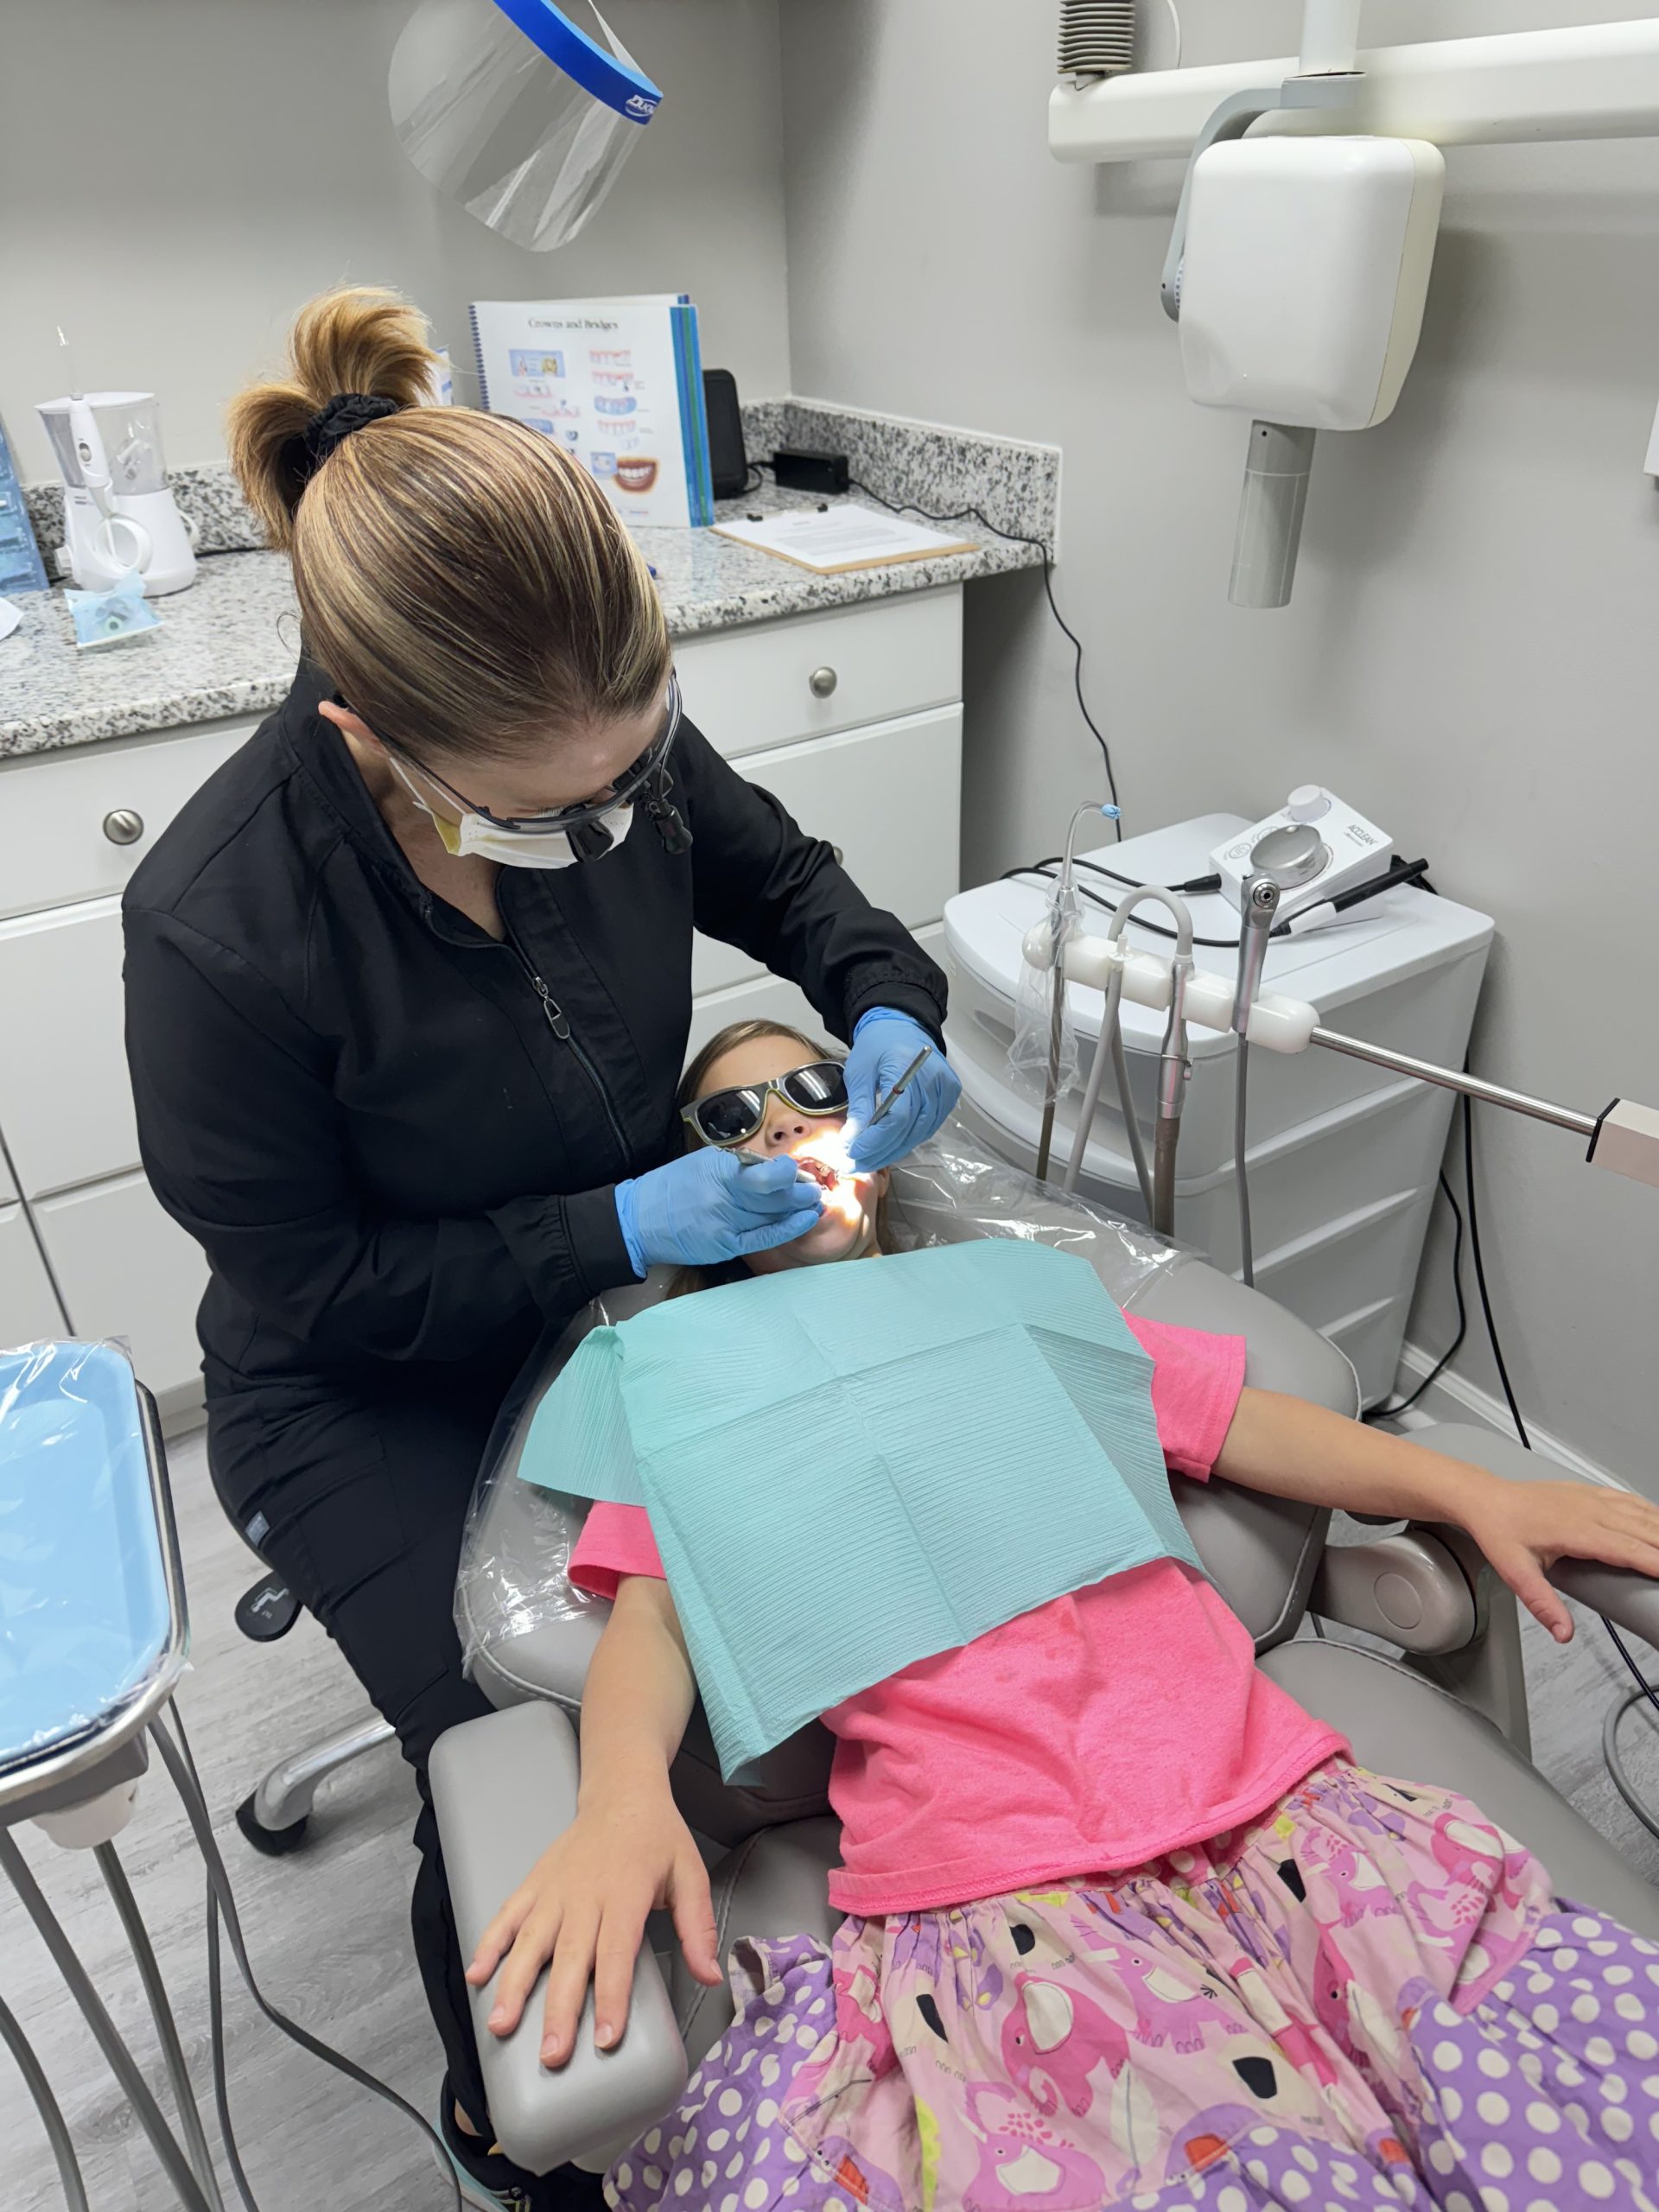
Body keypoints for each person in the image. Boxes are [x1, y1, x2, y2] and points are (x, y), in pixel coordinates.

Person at [119, 292, 960, 2212]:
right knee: (523, 1749)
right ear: (368, 735)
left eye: (629, 783)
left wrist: (886, 996)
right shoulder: (220, 931)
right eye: (545, 816)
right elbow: (312, 1285)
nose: (611, 828)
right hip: (367, 1383)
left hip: (613, 1291)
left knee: (791, 1637)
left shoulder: (603, 739)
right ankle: (517, 2131)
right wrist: (619, 1222)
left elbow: (790, 882)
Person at [470, 1020, 1659, 2212]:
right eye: (733, 1120)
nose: (780, 1122)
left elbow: (1235, 1419)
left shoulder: (1009, 1297)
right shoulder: (681, 1375)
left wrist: (1475, 1489)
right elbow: (654, 1616)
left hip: (1281, 1811)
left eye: (813, 1088)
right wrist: (620, 1799)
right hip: (1003, 1894)